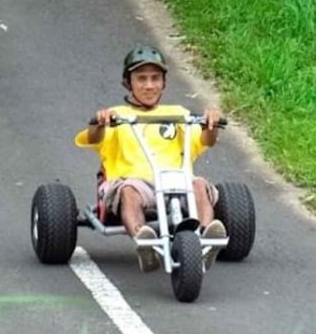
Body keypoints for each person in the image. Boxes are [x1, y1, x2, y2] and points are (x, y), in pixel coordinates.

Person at [76, 46, 227, 272]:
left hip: (176, 181)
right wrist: (99, 122)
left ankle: (205, 239)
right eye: (141, 79)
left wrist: (211, 123)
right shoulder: (118, 116)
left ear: (164, 82)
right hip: (136, 183)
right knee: (129, 190)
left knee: (198, 185)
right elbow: (94, 137)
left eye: (155, 78)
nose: (149, 85)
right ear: (129, 83)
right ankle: (144, 241)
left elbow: (207, 140)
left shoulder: (179, 114)